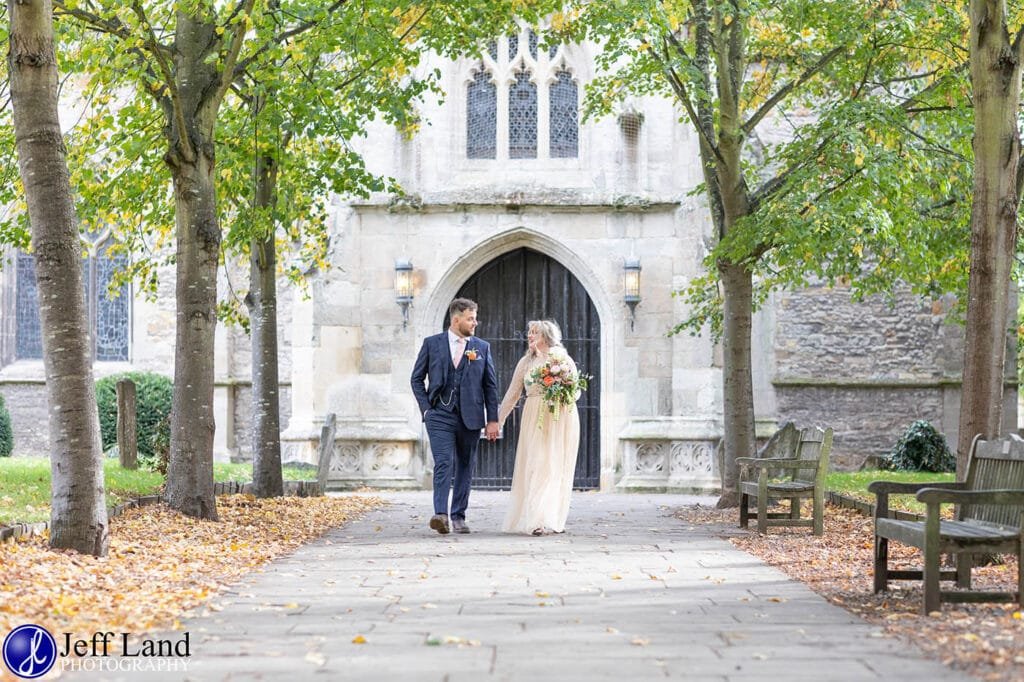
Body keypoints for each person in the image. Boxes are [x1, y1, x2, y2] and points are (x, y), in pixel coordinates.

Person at [411, 298, 499, 535]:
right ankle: (441, 514)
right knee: (444, 462)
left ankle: (458, 516)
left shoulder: (481, 347)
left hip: (470, 416)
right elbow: (416, 379)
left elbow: (490, 386)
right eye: (471, 318)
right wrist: (426, 409)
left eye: (475, 318)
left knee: (465, 465)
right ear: (456, 319)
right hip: (439, 414)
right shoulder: (432, 344)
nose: (475, 323)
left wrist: (493, 419)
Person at [497, 319, 581, 535]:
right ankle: (536, 520)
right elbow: (513, 393)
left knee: (555, 466)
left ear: (546, 336)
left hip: (561, 416)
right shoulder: (525, 363)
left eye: (535, 332)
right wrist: (500, 419)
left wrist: (564, 385)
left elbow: (577, 391)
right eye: (529, 332)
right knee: (537, 463)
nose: (530, 335)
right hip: (534, 416)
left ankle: (551, 518)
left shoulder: (562, 358)